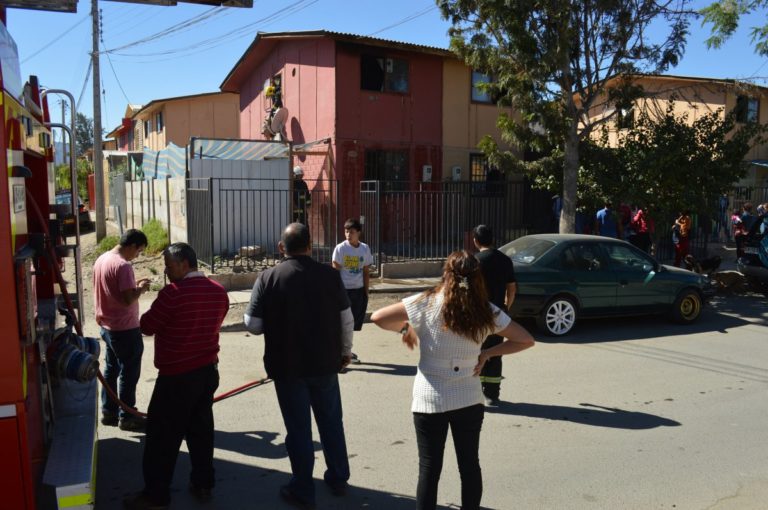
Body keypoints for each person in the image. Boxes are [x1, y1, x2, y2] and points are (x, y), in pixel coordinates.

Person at [370, 250, 534, 510]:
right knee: (469, 466)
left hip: (429, 400)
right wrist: (487, 353)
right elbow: (526, 339)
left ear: (447, 274)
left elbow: (378, 317)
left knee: (429, 470)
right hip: (469, 398)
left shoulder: (425, 302)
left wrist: (406, 329)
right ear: (478, 278)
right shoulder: (487, 311)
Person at [244, 223, 354, 509]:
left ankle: (303, 489)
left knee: (299, 430)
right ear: (310, 246)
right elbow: (347, 319)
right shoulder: (331, 277)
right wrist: (345, 353)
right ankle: (338, 477)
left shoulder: (268, 278)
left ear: (282, 247)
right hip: (325, 364)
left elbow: (253, 325)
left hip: (287, 368)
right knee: (331, 422)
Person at [124, 243, 229, 510]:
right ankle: (203, 484)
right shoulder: (218, 292)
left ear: (184, 264)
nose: (166, 272)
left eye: (169, 267)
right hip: (207, 373)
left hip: (176, 377)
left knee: (162, 438)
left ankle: (156, 495)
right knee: (201, 431)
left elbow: (147, 326)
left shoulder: (173, 294)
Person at [93, 228, 151, 432]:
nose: (138, 255)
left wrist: (134, 284)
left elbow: (115, 289)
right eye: (139, 251)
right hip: (125, 328)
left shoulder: (103, 259)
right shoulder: (123, 266)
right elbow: (127, 299)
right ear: (132, 246)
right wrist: (142, 289)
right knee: (128, 372)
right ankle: (127, 416)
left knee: (111, 370)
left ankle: (108, 411)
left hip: (107, 327)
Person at [471, 225, 516, 406]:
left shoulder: (474, 261)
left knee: (476, 352)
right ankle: (492, 395)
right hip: (498, 314)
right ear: (493, 239)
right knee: (495, 353)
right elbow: (511, 288)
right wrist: (506, 307)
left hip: (478, 315)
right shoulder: (505, 260)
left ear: (475, 241)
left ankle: (475, 392)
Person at [332, 218, 374, 366]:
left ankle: (346, 352)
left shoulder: (364, 249)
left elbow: (366, 271)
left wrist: (366, 292)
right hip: (343, 291)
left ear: (359, 233)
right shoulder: (340, 248)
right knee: (342, 323)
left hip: (358, 291)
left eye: (352, 232)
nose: (348, 234)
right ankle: (340, 354)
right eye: (346, 231)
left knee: (352, 324)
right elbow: (335, 271)